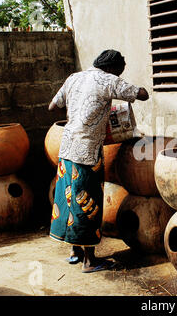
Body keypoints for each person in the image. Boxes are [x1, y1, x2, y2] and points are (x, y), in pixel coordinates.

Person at [48, 49, 149, 273]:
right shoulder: (107, 80)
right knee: (88, 204)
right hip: (87, 153)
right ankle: (90, 261)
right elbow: (142, 94)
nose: (121, 73)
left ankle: (74, 252)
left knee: (68, 198)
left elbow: (52, 106)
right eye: (121, 69)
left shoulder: (74, 77)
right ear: (113, 67)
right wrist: (135, 88)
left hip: (66, 149)